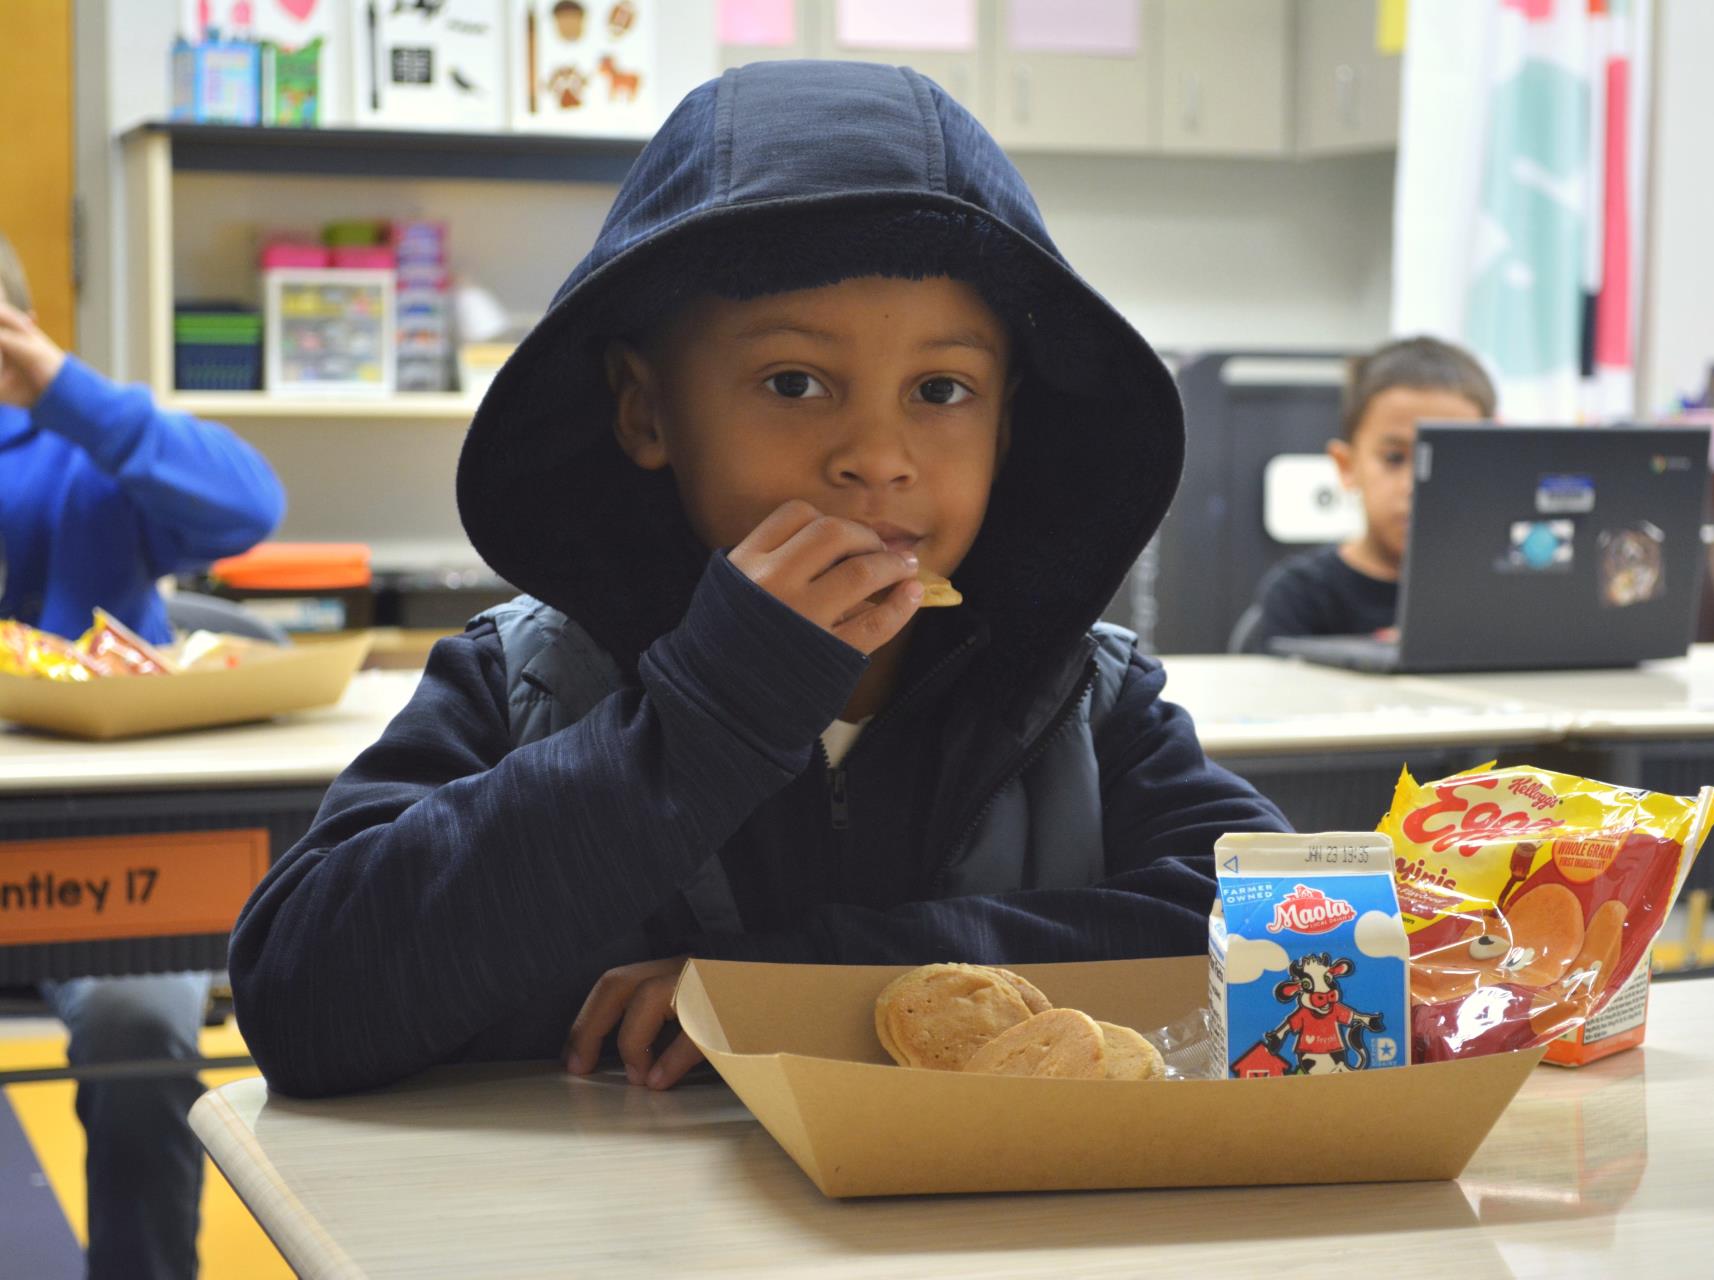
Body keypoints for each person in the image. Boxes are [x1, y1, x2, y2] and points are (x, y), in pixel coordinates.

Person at [227, 61, 1289, 1101]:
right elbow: (300, 998)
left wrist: (808, 983)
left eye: (941, 388)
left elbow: (1281, 928)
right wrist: (709, 713)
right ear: (646, 412)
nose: (878, 455)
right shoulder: (529, 681)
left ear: (1006, 427)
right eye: (794, 381)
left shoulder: (1079, 698)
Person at [0, 230, 284, 1280]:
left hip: (93, 851)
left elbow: (251, 507)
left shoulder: (77, 451)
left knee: (143, 1015)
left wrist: (64, 392)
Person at [1232, 336, 1496, 650]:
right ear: (1347, 466)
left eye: (1450, 460)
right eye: (1394, 458)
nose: (1415, 486)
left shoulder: (1498, 594)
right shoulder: (1300, 595)